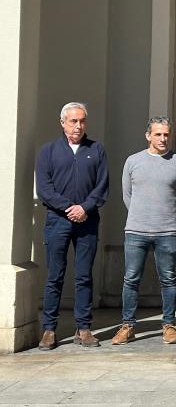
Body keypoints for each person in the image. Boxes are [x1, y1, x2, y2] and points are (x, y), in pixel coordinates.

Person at [112, 116, 176, 346]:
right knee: (131, 279)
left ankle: (168, 324)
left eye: (166, 134)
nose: (163, 138)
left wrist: (167, 215)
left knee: (168, 279)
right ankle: (128, 325)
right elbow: (127, 195)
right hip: (136, 230)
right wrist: (141, 214)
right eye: (158, 134)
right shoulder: (133, 161)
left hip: (166, 231)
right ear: (148, 136)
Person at [35, 102, 109, 350]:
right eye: (73, 121)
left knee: (84, 276)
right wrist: (70, 208)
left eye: (82, 121)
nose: (78, 126)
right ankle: (49, 329)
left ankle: (84, 328)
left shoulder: (96, 150)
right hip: (57, 220)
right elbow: (45, 189)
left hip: (87, 221)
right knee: (54, 276)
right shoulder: (48, 151)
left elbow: (102, 187)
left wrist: (84, 208)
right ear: (62, 123)